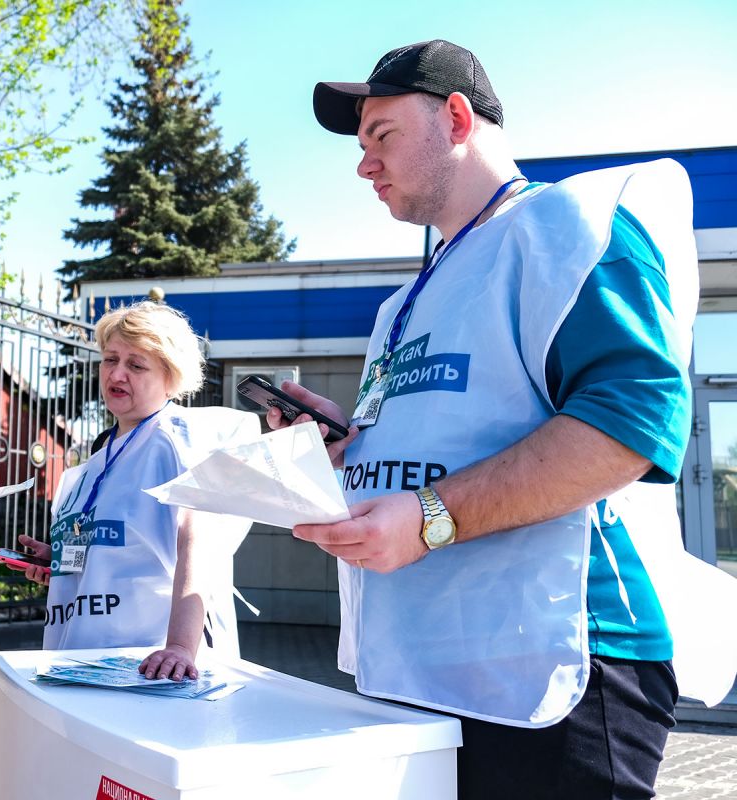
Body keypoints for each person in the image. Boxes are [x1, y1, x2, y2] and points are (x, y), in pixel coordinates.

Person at [270, 39, 737, 799]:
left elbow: (632, 421)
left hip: (560, 667)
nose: (364, 165)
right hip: (425, 663)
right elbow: (444, 439)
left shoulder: (568, 227)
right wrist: (344, 440)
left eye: (381, 135)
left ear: (456, 117)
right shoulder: (407, 298)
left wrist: (426, 519)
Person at [10, 301, 258, 681]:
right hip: (81, 659)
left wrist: (179, 646)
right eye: (111, 359)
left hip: (151, 668)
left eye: (136, 365)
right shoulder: (93, 463)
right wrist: (60, 562)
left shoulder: (176, 440)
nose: (117, 374)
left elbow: (199, 540)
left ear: (171, 378)